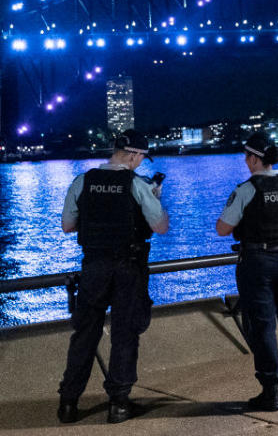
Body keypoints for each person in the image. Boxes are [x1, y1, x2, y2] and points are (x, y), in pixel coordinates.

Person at [58, 130, 169, 424]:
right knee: (124, 333)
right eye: (142, 158)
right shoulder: (137, 184)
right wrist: (154, 199)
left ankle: (68, 403)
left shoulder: (83, 181)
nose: (141, 163)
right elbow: (160, 227)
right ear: (132, 155)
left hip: (93, 266)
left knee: (84, 334)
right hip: (128, 267)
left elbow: (68, 226)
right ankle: (118, 404)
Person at [216, 132, 278, 411]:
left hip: (258, 262)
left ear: (255, 159)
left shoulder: (247, 189)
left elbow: (222, 229)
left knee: (262, 326)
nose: (245, 161)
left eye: (247, 156)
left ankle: (270, 391)